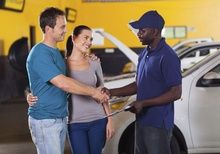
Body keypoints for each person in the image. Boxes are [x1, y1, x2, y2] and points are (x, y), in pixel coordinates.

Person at [26, 7, 108, 154]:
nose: (65, 30)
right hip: (46, 120)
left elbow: (39, 81)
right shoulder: (39, 53)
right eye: (62, 26)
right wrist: (93, 92)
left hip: (60, 117)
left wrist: (29, 92)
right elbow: (63, 82)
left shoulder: (56, 53)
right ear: (48, 29)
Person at [104, 10, 182, 154]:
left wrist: (144, 103)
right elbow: (138, 85)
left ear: (155, 31)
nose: (139, 33)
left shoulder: (168, 56)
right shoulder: (145, 53)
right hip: (142, 120)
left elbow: (176, 92)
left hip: (158, 123)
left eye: (142, 30)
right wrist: (112, 92)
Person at [66, 25, 114, 154]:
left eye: (91, 39)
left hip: (98, 120)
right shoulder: (62, 65)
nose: (89, 42)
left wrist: (109, 120)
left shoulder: (94, 63)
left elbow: (103, 92)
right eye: (85, 38)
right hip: (74, 123)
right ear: (73, 38)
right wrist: (31, 96)